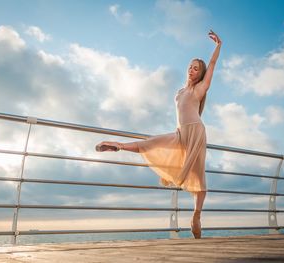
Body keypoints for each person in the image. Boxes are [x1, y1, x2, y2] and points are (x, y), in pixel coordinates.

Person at [95, 30, 222, 239]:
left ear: (201, 74)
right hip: (180, 133)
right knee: (151, 143)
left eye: (196, 68)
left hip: (196, 134)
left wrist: (218, 46)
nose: (191, 70)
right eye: (190, 66)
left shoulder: (199, 90)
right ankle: (118, 145)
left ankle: (196, 216)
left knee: (199, 178)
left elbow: (213, 65)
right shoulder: (180, 92)